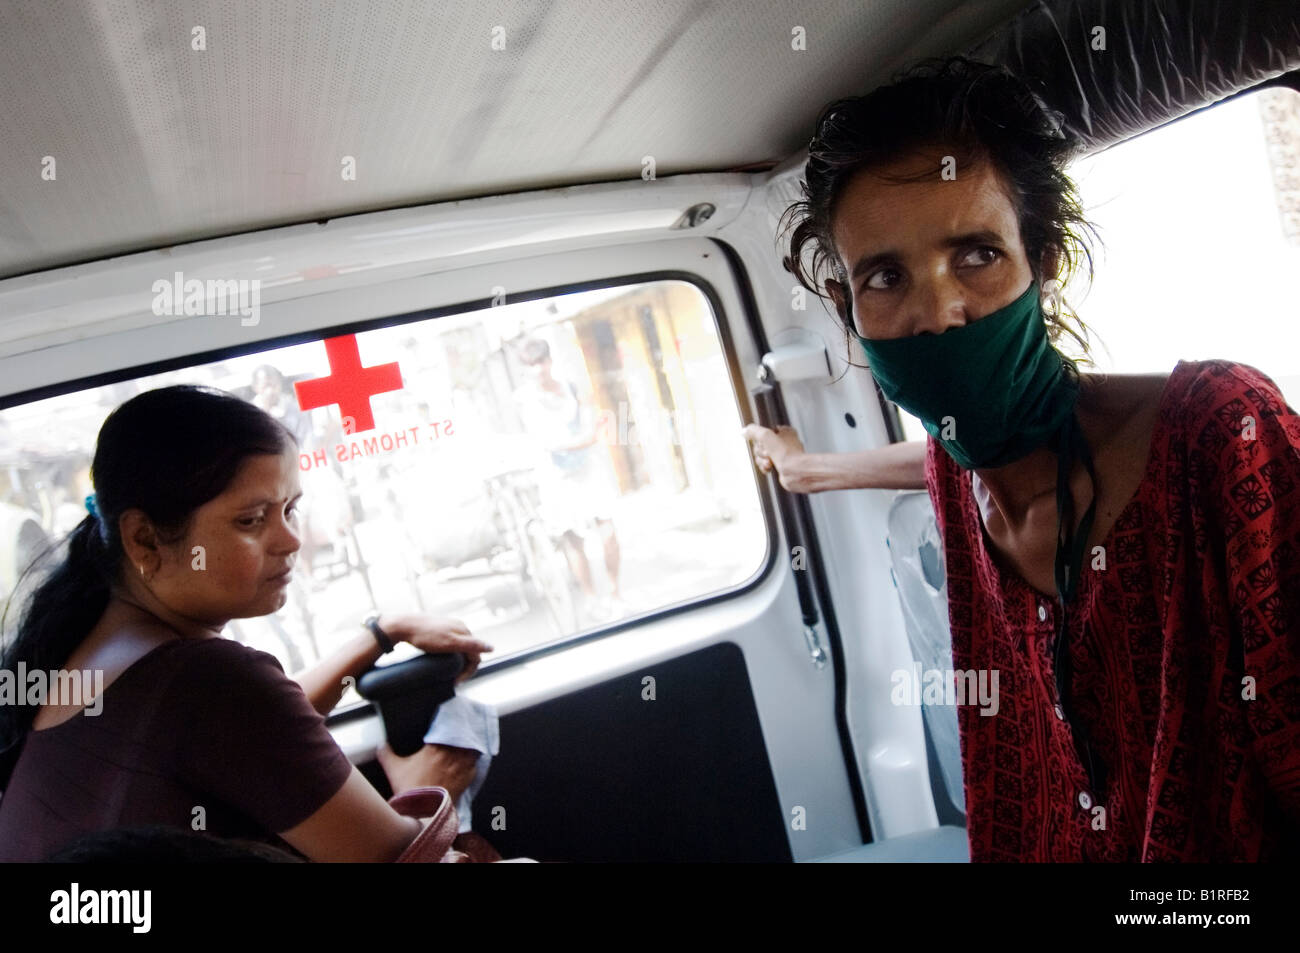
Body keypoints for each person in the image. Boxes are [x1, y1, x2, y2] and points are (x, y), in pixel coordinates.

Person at [749, 56, 1300, 861]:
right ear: (848, 309)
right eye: (886, 275)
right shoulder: (955, 480)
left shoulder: (1222, 435)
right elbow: (952, 454)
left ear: (1043, 260)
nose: (938, 313)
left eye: (975, 254)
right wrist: (809, 471)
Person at [0, 385, 493, 862]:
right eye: (252, 520)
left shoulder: (91, 647)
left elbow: (252, 729)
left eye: (290, 509)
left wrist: (380, 634)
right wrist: (425, 794)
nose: (291, 540)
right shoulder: (208, 681)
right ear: (145, 540)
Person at [515, 337, 624, 622]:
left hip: (588, 468)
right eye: (531, 365)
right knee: (574, 543)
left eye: (541, 362)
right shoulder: (526, 402)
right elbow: (549, 441)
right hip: (557, 476)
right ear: (525, 370)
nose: (538, 369)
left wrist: (587, 436)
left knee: (609, 533)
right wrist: (584, 439)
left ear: (550, 361)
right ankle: (591, 598)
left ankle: (615, 594)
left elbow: (591, 419)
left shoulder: (571, 387)